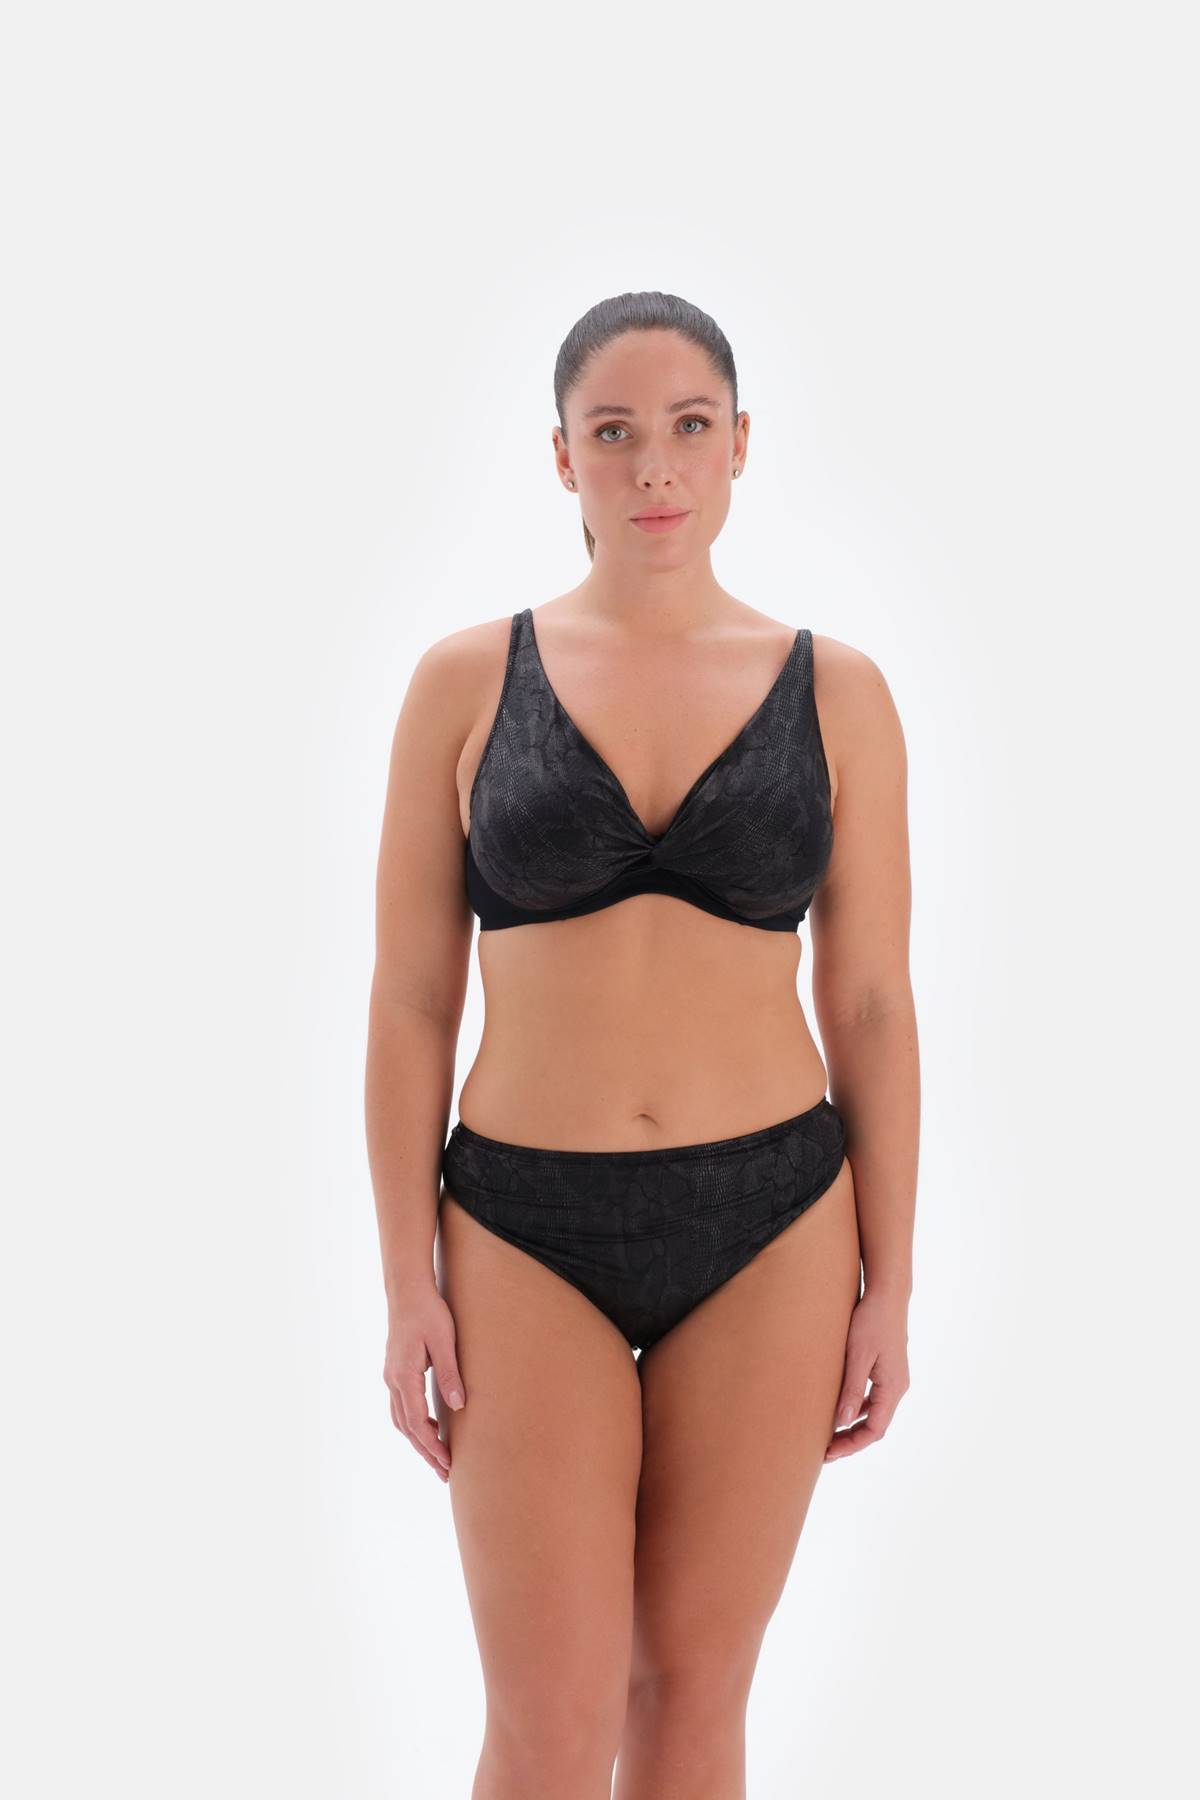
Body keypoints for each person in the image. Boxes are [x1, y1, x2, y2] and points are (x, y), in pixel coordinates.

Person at [365, 289, 919, 1799]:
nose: (654, 465)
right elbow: (410, 1000)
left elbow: (872, 1001)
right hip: (520, 1226)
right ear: (563, 457)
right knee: (547, 1724)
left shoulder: (841, 693)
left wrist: (892, 1278)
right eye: (613, 433)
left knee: (689, 1702)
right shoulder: (465, 682)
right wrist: (407, 1278)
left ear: (741, 444)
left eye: (688, 427)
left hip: (776, 1222)